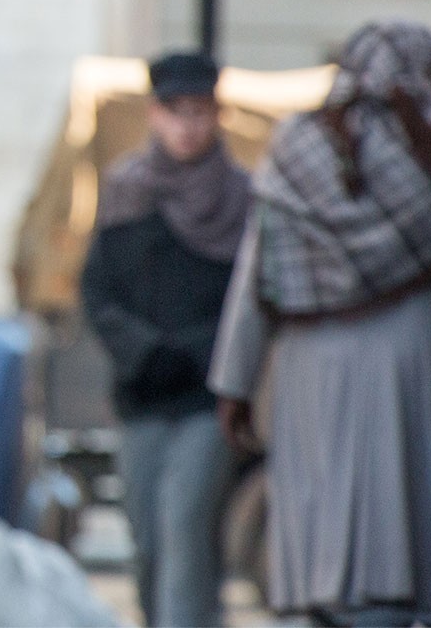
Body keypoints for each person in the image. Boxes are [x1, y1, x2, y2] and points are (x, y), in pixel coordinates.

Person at [211, 20, 431, 628]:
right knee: (402, 497)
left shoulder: (294, 145)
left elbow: (255, 275)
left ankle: (326, 605)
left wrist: (234, 382)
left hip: (308, 361)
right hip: (414, 352)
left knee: (320, 502)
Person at [80, 50, 251, 628]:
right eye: (175, 111)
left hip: (209, 399)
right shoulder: (127, 189)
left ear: (217, 115)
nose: (187, 125)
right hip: (143, 395)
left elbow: (250, 301)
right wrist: (144, 351)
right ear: (154, 115)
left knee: (185, 532)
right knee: (148, 541)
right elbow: (99, 292)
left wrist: (201, 354)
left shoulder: (241, 198)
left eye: (199, 111)